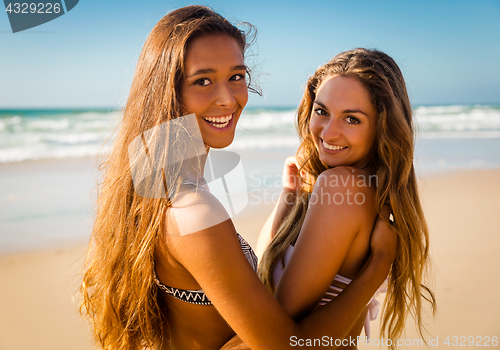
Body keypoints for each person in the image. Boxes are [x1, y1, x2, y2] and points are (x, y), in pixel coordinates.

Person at [79, 7, 396, 350]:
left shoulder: (151, 177)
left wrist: (288, 200)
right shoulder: (194, 210)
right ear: (167, 91)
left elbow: (245, 287)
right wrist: (376, 269)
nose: (228, 98)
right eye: (203, 80)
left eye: (236, 76)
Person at [257, 48, 437, 347]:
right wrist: (289, 196)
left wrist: (379, 265)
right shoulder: (373, 192)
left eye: (351, 119)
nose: (329, 132)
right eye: (322, 111)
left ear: (382, 127)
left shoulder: (341, 185)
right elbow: (266, 269)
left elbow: (275, 323)